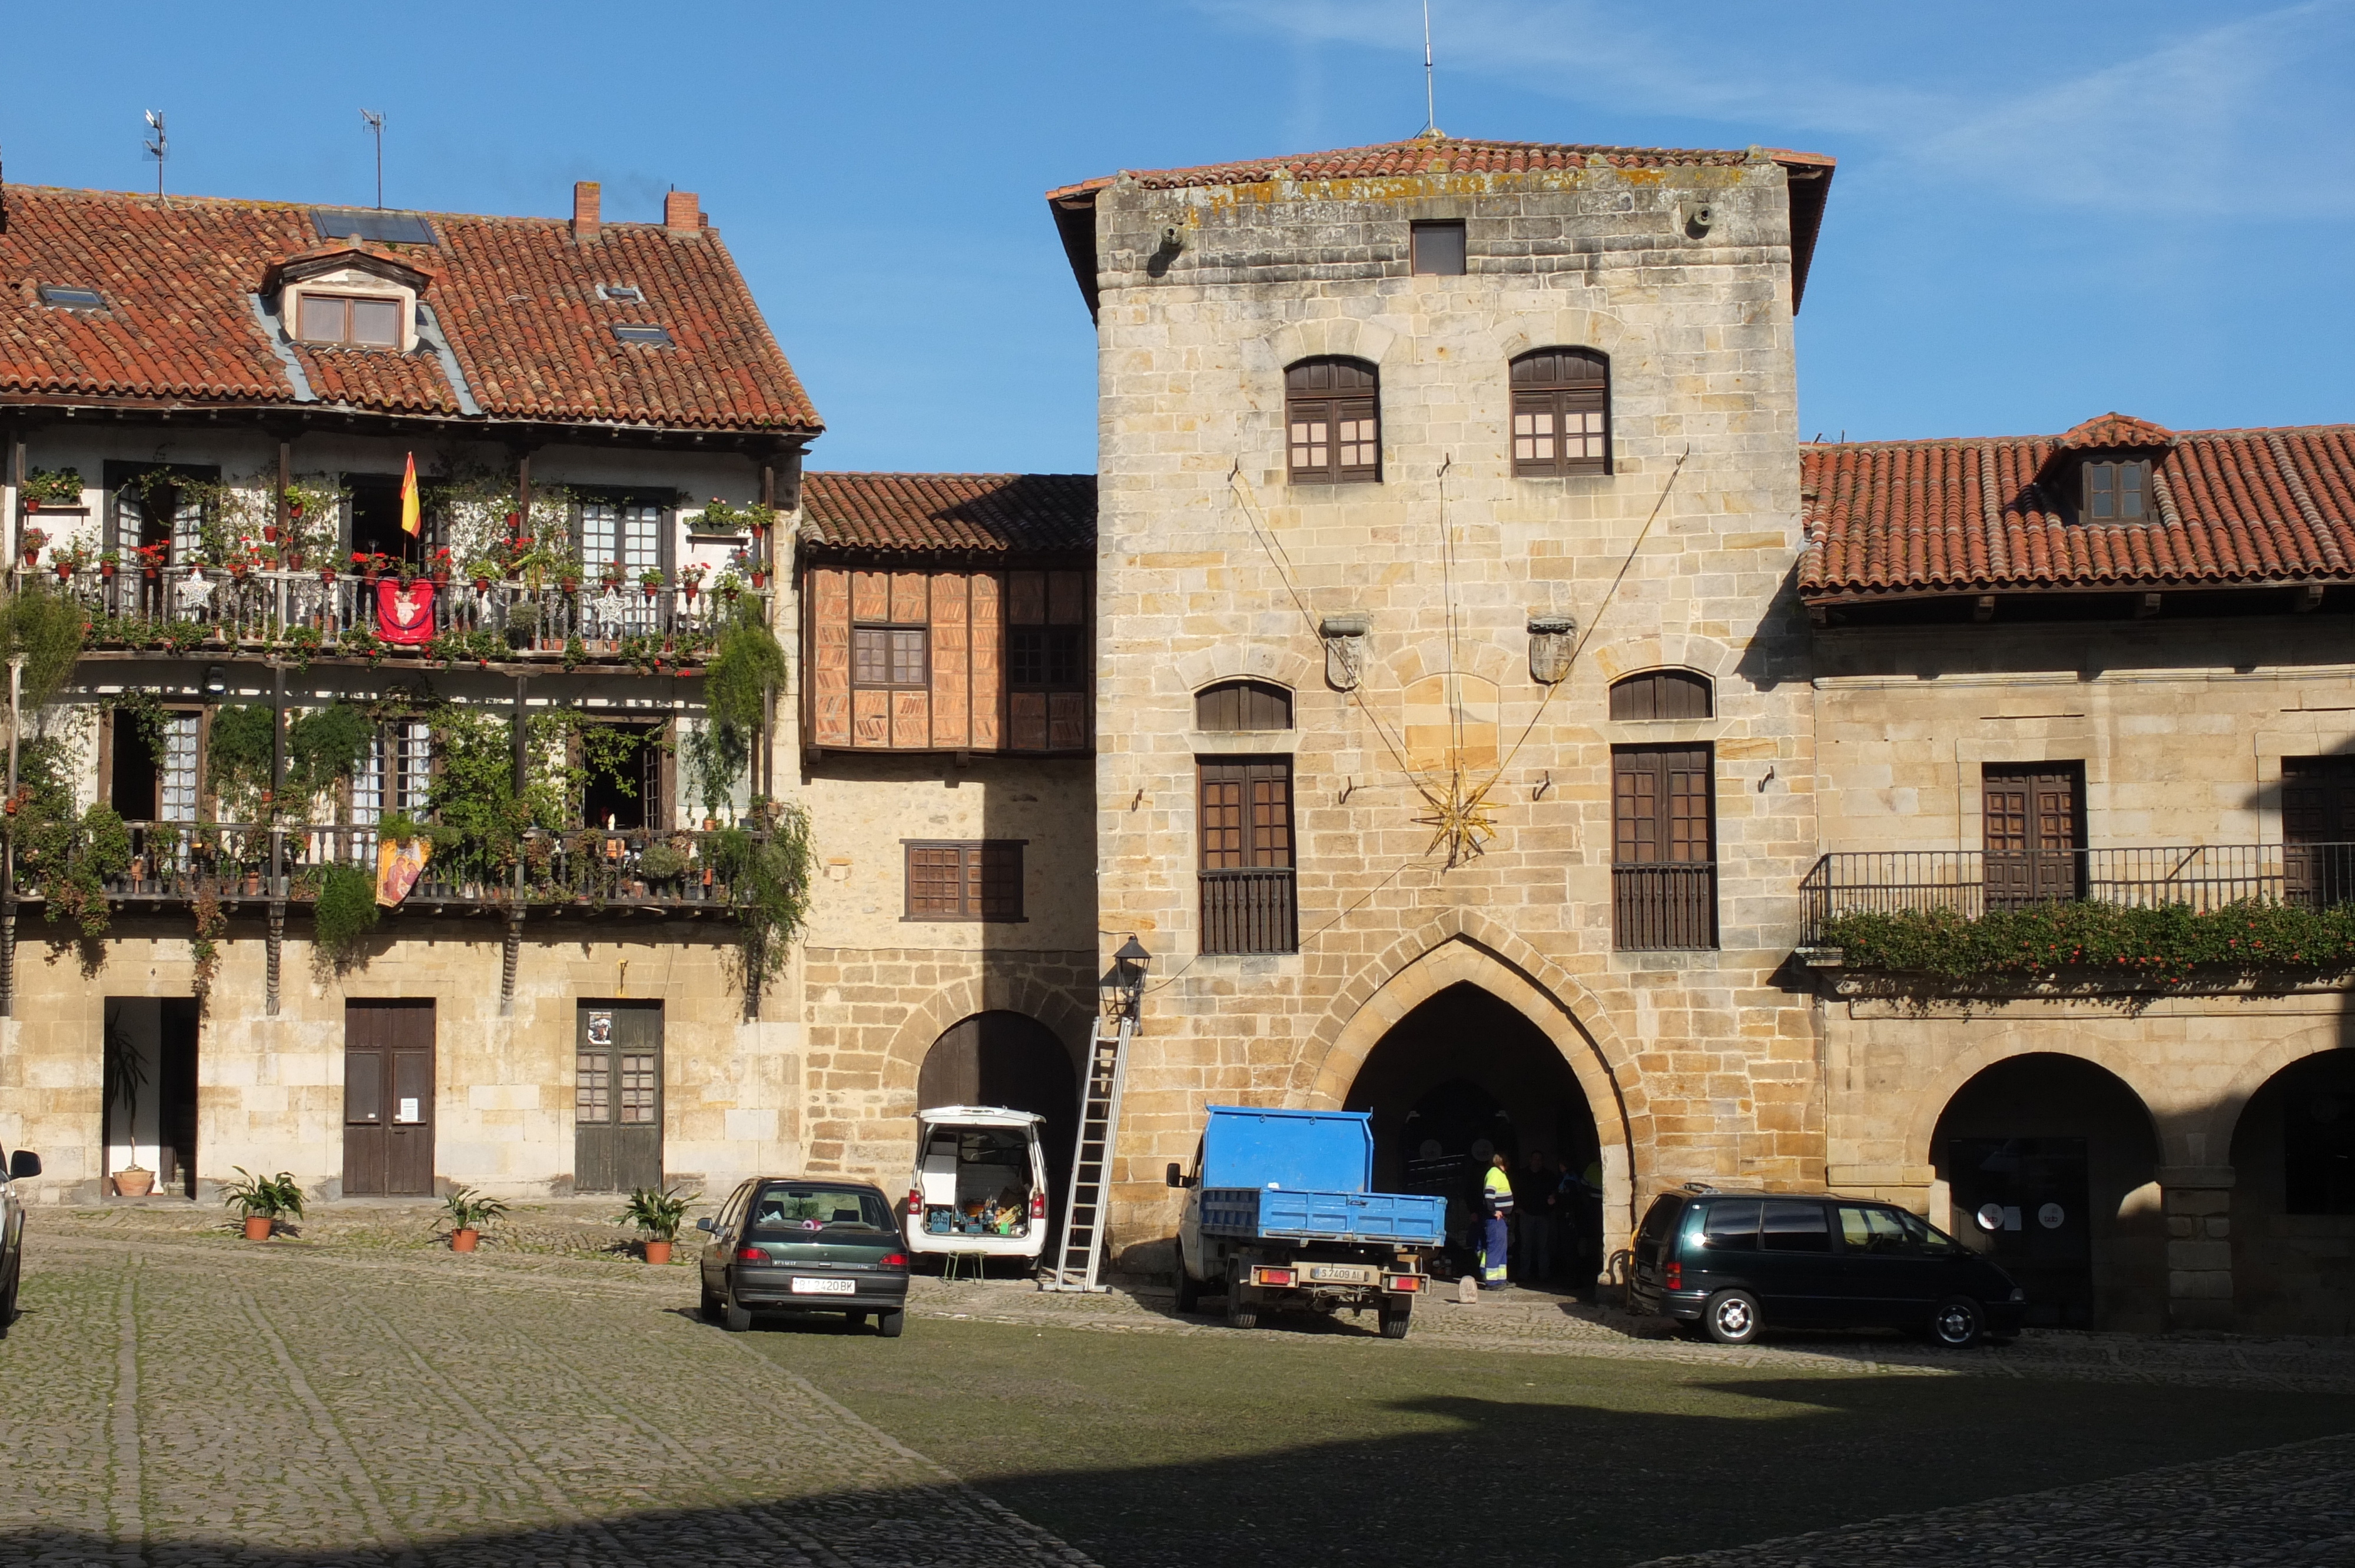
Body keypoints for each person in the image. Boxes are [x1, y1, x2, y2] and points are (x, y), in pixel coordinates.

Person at [1479, 1153, 1514, 1290]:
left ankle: (1501, 1279)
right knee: (1495, 1248)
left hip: (1501, 1219)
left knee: (1501, 1248)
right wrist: (1493, 1211)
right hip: (1495, 1219)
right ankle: (1492, 1282)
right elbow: (1489, 1194)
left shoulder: (1500, 1174)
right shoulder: (1494, 1173)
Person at [1523, 1152, 1555, 1283]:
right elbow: (1516, 1191)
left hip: (1543, 1215)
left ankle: (1544, 1275)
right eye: (1535, 1158)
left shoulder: (1548, 1175)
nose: (1537, 1161)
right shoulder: (1523, 1175)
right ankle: (1524, 1274)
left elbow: (1554, 1191)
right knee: (1525, 1246)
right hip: (1526, 1214)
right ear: (1530, 1160)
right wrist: (1518, 1209)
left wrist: (1553, 1200)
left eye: (1540, 1159)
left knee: (1543, 1247)